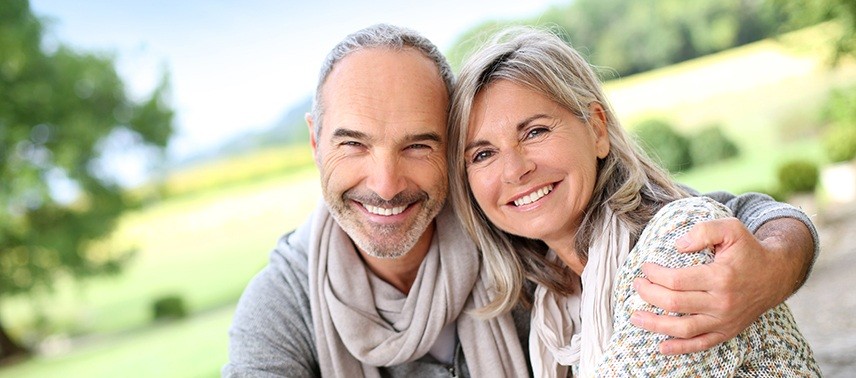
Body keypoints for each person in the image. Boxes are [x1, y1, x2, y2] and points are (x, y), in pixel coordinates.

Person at [224, 24, 818, 377]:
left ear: (598, 128)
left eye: (419, 144)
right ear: (313, 140)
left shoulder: (523, 242)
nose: (384, 182)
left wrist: (774, 263)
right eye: (353, 143)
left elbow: (730, 216)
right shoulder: (287, 302)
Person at [447, 26, 820, 376]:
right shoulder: (542, 297)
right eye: (482, 154)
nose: (514, 170)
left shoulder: (676, 251)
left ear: (596, 129)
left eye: (535, 131)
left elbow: (731, 212)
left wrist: (779, 257)